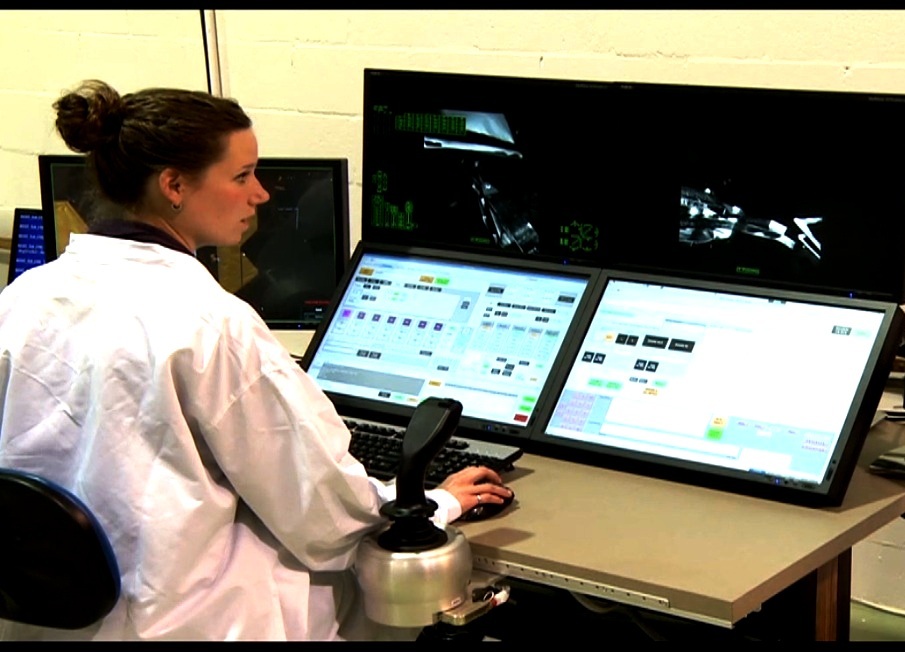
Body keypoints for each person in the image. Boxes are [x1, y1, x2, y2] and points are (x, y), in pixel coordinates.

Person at [0, 80, 513, 641]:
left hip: (51, 622)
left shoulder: (25, 296)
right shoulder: (212, 324)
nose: (261, 194)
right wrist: (435, 502)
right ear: (174, 185)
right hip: (184, 623)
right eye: (242, 176)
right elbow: (327, 516)